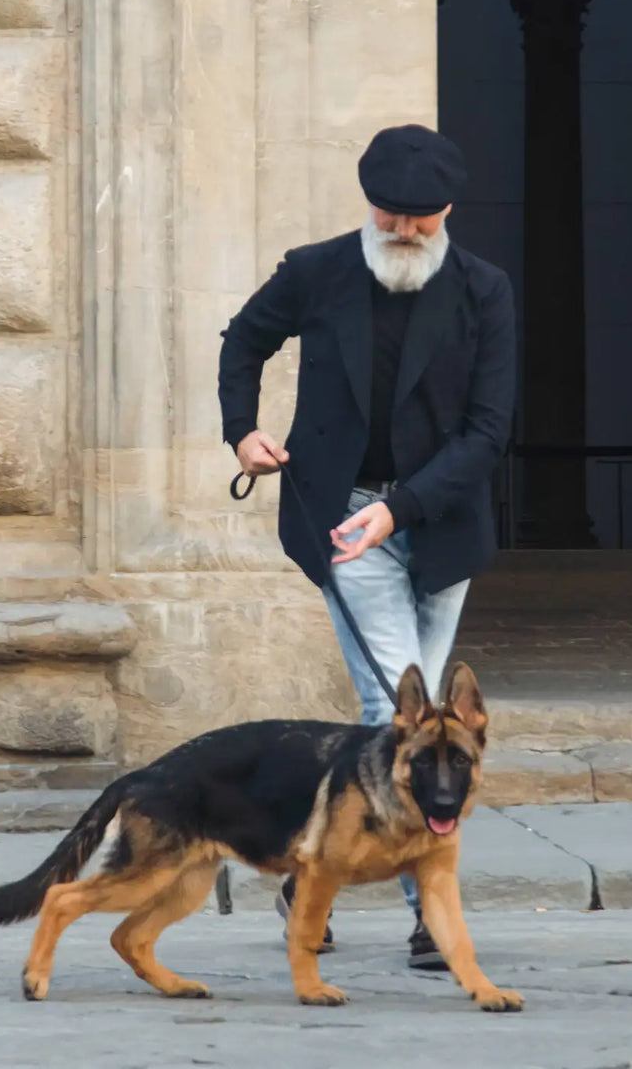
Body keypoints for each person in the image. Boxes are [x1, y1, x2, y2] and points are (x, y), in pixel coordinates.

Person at [216, 123, 516, 969]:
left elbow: (490, 429)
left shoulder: (484, 291)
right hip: (343, 516)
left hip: (442, 526)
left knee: (419, 719)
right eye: (391, 214)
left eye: (422, 219)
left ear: (448, 211)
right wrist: (243, 432)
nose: (405, 231)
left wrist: (406, 509)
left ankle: (308, 870)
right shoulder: (316, 270)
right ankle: (428, 911)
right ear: (369, 204)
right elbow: (243, 342)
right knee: (396, 715)